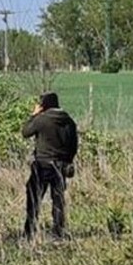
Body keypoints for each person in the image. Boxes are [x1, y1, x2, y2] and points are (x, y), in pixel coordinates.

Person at [21, 92, 78, 240]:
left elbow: (25, 132)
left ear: (44, 105)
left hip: (43, 164)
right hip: (62, 165)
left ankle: (29, 230)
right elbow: (74, 146)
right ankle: (58, 231)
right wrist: (68, 160)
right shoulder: (69, 121)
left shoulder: (41, 120)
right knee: (58, 199)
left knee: (34, 197)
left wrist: (33, 115)